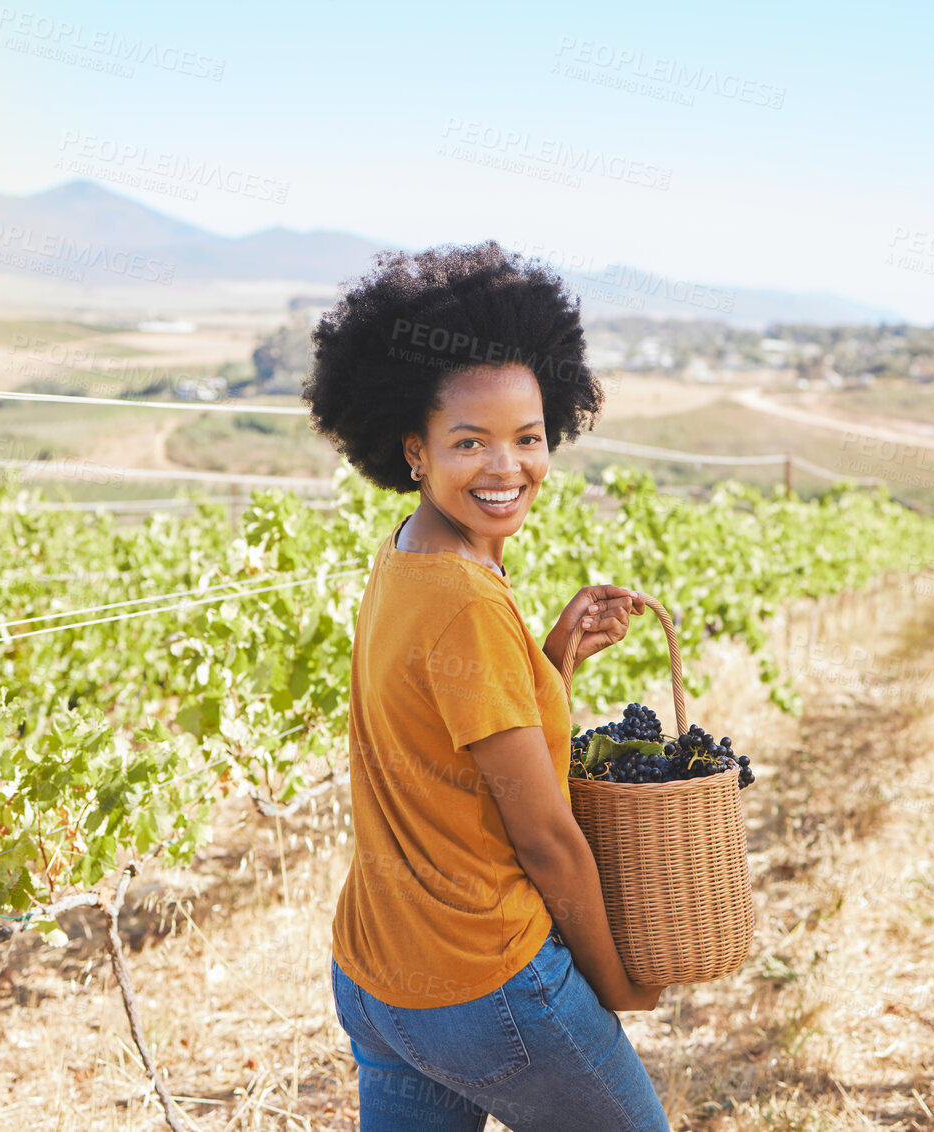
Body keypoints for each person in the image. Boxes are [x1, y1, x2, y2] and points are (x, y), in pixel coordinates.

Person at [305, 241, 672, 1131]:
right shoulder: (467, 602)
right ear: (415, 449)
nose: (507, 467)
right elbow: (543, 836)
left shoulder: (410, 552)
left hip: (379, 975)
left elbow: (453, 733)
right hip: (485, 983)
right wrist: (617, 983)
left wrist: (547, 658)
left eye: (528, 438)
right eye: (469, 442)